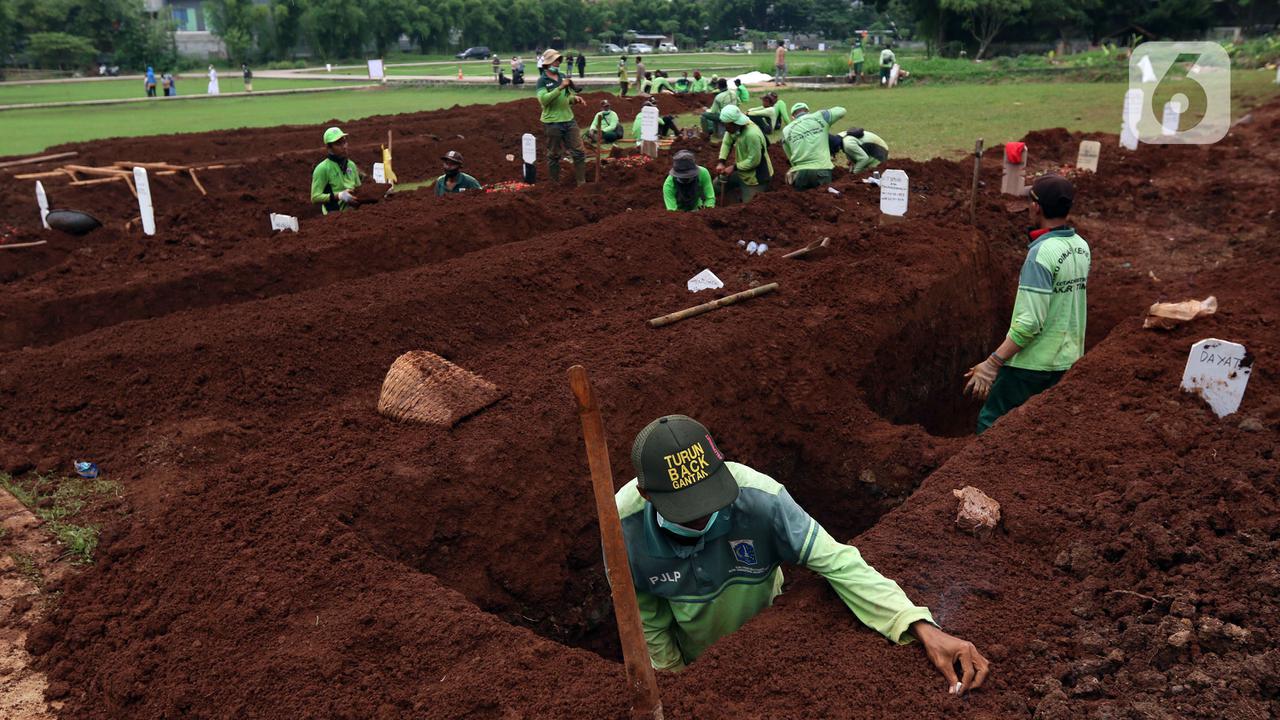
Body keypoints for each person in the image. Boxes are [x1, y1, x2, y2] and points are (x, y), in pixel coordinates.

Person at [616, 414, 992, 691]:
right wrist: (678, 687)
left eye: (709, 500)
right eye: (688, 508)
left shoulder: (762, 500)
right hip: (693, 652)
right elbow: (647, 621)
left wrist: (921, 626)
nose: (702, 517)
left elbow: (838, 562)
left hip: (766, 641)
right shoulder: (622, 528)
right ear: (647, 495)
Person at [965, 175, 1089, 435]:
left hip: (1031, 366)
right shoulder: (1081, 247)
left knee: (991, 424)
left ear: (1037, 207)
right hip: (1067, 361)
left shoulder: (1040, 254)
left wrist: (992, 363)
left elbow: (1030, 322)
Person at [535, 49, 588, 186]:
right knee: (554, 155)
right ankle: (554, 185)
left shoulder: (562, 76)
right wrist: (559, 88)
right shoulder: (542, 81)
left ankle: (581, 183)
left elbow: (566, 98)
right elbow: (544, 101)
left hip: (568, 119)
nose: (558, 63)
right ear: (547, 63)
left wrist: (574, 98)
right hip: (552, 122)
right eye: (555, 60)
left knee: (578, 152)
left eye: (559, 60)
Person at [714, 105, 773, 204]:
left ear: (734, 123)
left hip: (756, 177)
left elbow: (753, 161)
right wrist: (721, 162)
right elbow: (727, 142)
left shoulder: (752, 135)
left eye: (726, 125)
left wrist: (734, 167)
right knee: (716, 185)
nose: (725, 128)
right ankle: (732, 202)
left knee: (749, 207)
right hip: (742, 172)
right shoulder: (734, 128)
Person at [781, 102, 845, 190]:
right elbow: (842, 110)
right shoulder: (819, 117)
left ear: (793, 116)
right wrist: (824, 112)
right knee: (825, 199)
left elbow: (789, 155)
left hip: (800, 173)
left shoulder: (786, 130)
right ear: (807, 111)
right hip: (822, 170)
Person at [310, 126, 361, 215]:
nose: (344, 146)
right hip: (333, 217)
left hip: (354, 214)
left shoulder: (351, 165)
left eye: (344, 142)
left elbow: (359, 189)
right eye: (338, 144)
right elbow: (315, 197)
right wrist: (339, 196)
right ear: (329, 147)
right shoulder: (322, 168)